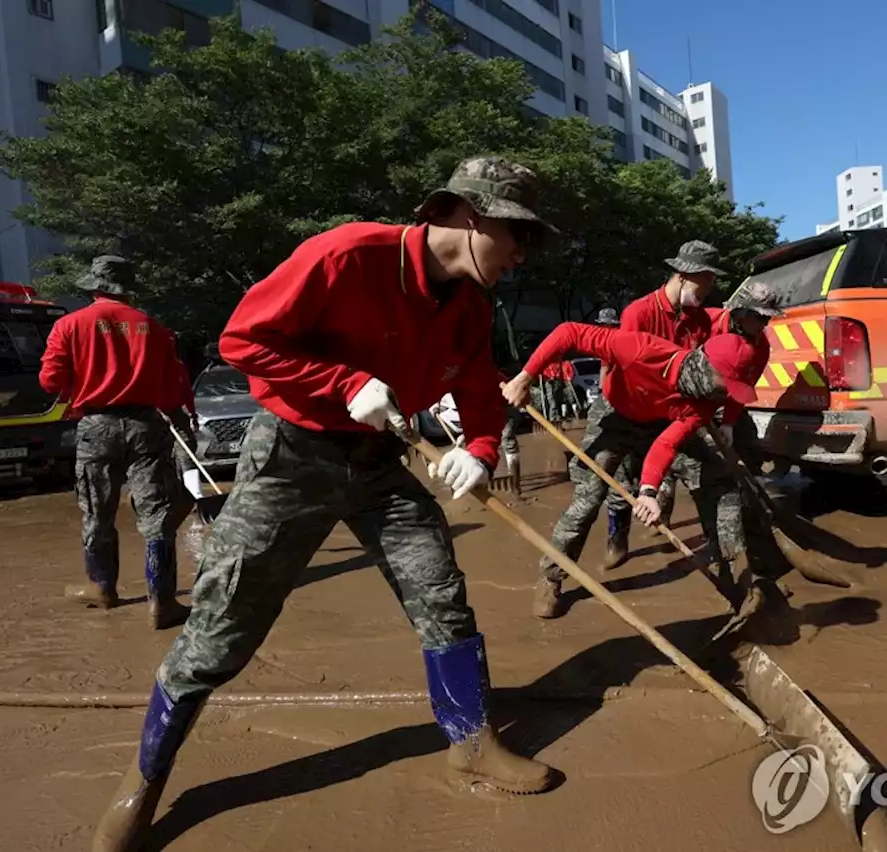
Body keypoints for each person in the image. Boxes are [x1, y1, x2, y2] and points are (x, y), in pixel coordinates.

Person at [90, 157, 559, 852]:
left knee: (441, 593)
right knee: (222, 627)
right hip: (292, 456)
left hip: (379, 464)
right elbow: (240, 341)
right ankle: (144, 780)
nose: (521, 256)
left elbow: (484, 401)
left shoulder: (468, 307)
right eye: (516, 236)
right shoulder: (347, 255)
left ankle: (470, 741)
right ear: (470, 215)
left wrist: (481, 451)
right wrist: (341, 382)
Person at [502, 317, 769, 619]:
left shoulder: (704, 402)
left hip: (658, 423)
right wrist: (525, 377)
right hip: (616, 412)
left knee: (719, 481)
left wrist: (648, 492)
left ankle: (735, 579)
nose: (727, 396)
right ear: (706, 371)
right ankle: (551, 578)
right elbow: (569, 332)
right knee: (589, 498)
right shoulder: (642, 349)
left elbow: (666, 444)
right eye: (727, 387)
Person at [38, 255, 193, 631]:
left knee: (97, 511)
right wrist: (182, 419)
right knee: (156, 515)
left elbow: (50, 381)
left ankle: (103, 589)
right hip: (146, 425)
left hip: (96, 427)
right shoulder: (154, 328)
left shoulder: (68, 325)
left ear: (94, 287)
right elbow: (175, 385)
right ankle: (162, 603)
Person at [603, 240, 727, 570]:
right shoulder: (638, 314)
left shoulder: (699, 320)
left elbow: (694, 369)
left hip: (671, 410)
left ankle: (721, 551)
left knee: (705, 471)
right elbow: (629, 372)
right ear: (684, 274)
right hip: (632, 407)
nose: (711, 288)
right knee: (620, 483)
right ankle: (616, 536)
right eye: (707, 279)